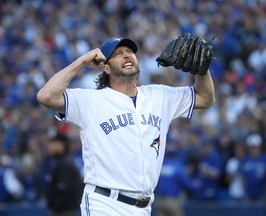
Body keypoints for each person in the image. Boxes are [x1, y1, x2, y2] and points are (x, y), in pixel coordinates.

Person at [37, 36, 216, 216]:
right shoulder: (91, 100)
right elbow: (46, 96)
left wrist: (202, 71)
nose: (127, 55)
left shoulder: (160, 96)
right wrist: (82, 61)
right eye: (118, 54)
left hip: (144, 207)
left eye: (130, 51)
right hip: (105, 204)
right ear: (105, 67)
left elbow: (205, 98)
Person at [43, 134, 83, 216]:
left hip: (64, 212)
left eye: (52, 144)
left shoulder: (64, 164)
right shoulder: (61, 161)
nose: (50, 147)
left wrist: (55, 206)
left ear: (60, 145)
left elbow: (64, 189)